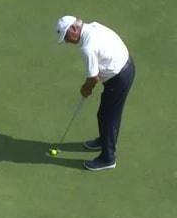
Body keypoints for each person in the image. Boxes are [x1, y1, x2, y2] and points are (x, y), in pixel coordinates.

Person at [56, 15, 136, 171]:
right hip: (125, 66)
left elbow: (93, 77)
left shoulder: (87, 47)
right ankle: (105, 140)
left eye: (66, 36)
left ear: (74, 29)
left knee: (107, 116)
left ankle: (108, 158)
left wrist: (85, 89)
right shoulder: (93, 26)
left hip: (119, 77)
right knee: (107, 114)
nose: (66, 41)